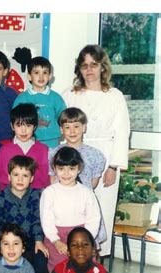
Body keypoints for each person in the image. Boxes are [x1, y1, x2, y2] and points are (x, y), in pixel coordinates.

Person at [62, 45, 130, 257]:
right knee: (75, 208)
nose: (89, 70)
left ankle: (96, 261)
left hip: (106, 156)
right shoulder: (70, 95)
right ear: (79, 69)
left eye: (94, 64)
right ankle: (73, 260)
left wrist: (113, 167)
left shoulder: (114, 96)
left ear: (102, 67)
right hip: (74, 157)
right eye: (84, 65)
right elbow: (61, 129)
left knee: (101, 211)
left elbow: (122, 132)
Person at [40, 147, 101, 273]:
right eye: (61, 169)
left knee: (85, 270)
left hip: (82, 237)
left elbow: (93, 218)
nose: (66, 173)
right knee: (59, 270)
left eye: (71, 168)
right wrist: (55, 240)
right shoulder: (49, 192)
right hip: (57, 237)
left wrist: (85, 240)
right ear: (54, 169)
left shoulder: (86, 192)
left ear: (79, 168)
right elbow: (46, 219)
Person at [0, 156, 49, 273]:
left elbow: (37, 219)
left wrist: (38, 240)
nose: (20, 179)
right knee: (0, 271)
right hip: (7, 243)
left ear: (31, 178)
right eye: (16, 175)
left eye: (25, 175)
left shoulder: (36, 195)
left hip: (30, 242)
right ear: (9, 177)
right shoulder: (0, 198)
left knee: (41, 266)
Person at [13, 56, 66, 148]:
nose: (41, 76)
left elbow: (63, 118)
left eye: (45, 72)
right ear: (29, 76)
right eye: (36, 72)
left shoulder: (56, 98)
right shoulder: (21, 99)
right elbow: (15, 119)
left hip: (51, 141)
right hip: (28, 141)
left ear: (50, 76)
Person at [0, 103, 50, 190]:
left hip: (37, 197)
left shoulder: (43, 150)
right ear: (12, 126)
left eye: (28, 125)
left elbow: (46, 179)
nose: (23, 130)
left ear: (34, 126)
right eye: (19, 125)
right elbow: (1, 179)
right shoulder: (4, 150)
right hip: (11, 197)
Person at [49, 107, 106, 189]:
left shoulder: (95, 154)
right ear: (61, 130)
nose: (72, 131)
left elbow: (93, 182)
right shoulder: (53, 153)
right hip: (60, 197)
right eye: (67, 127)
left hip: (83, 198)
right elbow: (52, 178)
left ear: (83, 127)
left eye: (76, 126)